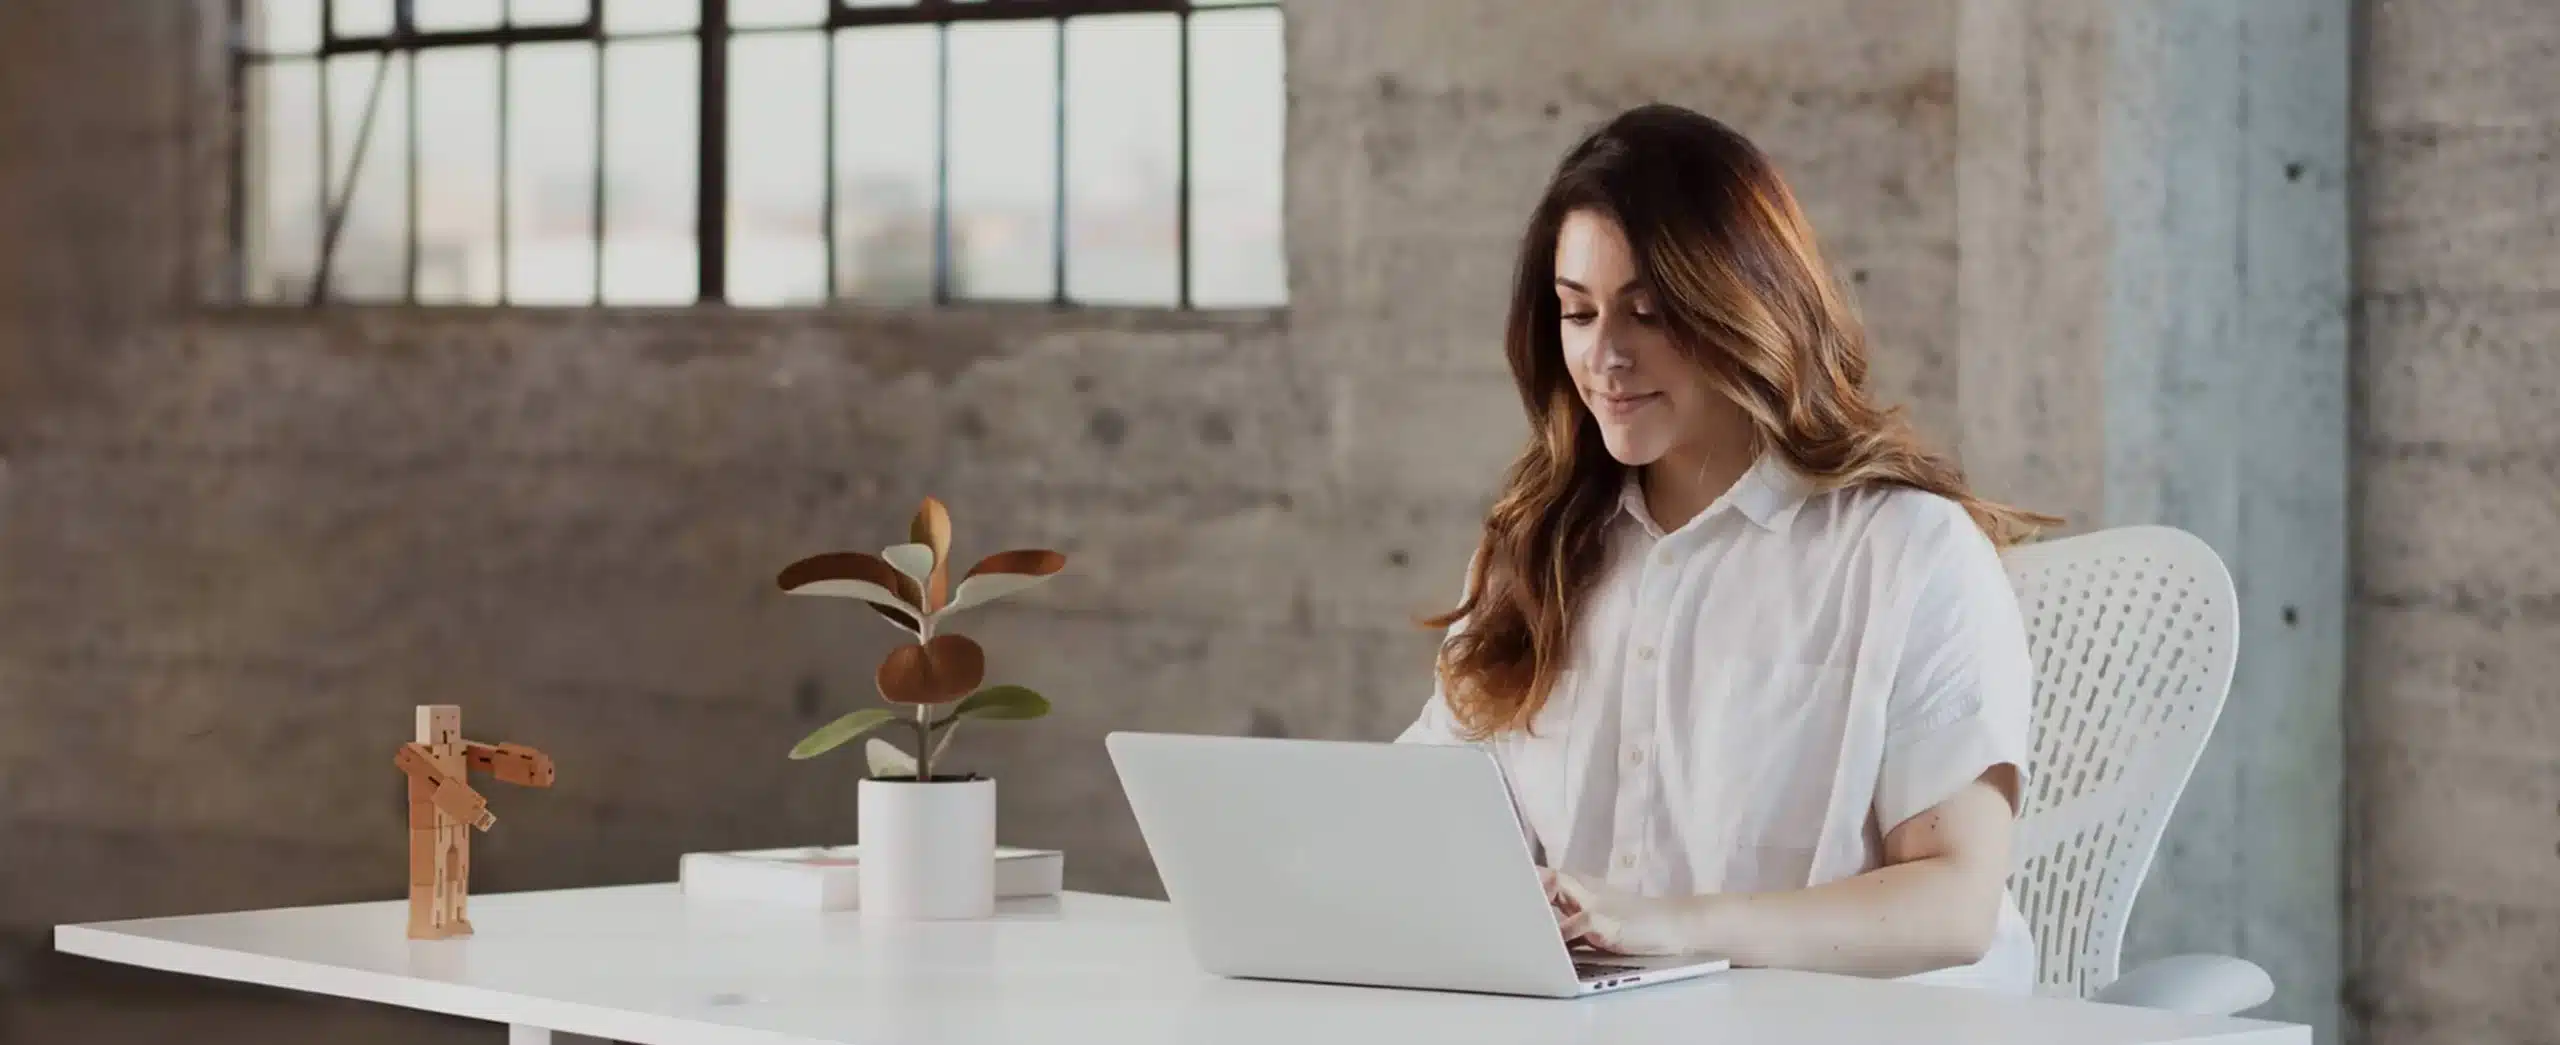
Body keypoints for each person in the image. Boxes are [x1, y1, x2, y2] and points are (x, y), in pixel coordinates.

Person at [1395, 103, 2054, 994]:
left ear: (1743, 307)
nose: (1606, 357)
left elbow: (1954, 904)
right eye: (1578, 313)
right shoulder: (1539, 548)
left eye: (1649, 313)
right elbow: (1421, 815)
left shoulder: (1909, 552)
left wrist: (1663, 926)